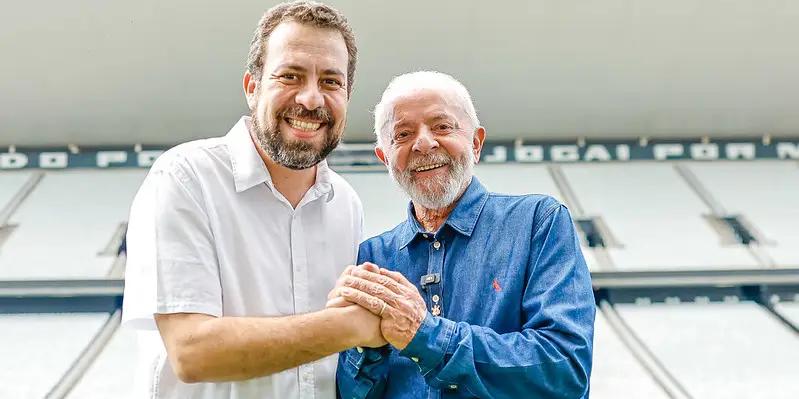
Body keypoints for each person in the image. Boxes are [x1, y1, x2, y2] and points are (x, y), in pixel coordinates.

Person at [121, 2, 385, 398]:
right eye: (290, 76)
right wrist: (352, 326)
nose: (311, 99)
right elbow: (193, 351)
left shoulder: (344, 203)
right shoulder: (184, 178)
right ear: (252, 87)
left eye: (331, 82)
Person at [330, 71, 595, 398]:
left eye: (442, 126)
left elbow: (565, 370)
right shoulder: (370, 259)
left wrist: (425, 333)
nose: (424, 143)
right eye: (403, 133)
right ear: (385, 158)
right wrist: (363, 349)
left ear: (476, 143)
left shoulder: (538, 223)